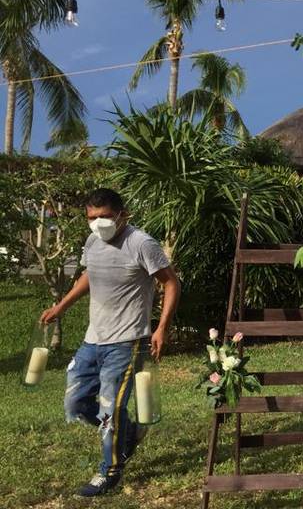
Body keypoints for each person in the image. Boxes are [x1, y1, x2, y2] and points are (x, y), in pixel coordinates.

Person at [40, 188, 180, 497]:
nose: (98, 223)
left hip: (128, 341)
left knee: (110, 411)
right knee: (75, 405)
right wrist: (61, 306)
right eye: (92, 217)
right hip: (93, 340)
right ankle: (130, 432)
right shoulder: (92, 241)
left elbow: (171, 282)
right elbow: (91, 274)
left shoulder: (141, 243)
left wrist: (162, 327)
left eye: (104, 217)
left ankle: (110, 471)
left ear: (122, 214)